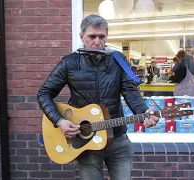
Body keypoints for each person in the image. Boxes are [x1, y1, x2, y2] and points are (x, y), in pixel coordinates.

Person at [37, 14, 159, 180]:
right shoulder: (69, 63)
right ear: (82, 37)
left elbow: (130, 91)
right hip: (86, 140)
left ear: (107, 36)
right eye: (92, 36)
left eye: (101, 36)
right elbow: (44, 93)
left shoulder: (118, 60)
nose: (97, 41)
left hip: (117, 138)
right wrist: (59, 121)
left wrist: (144, 111)